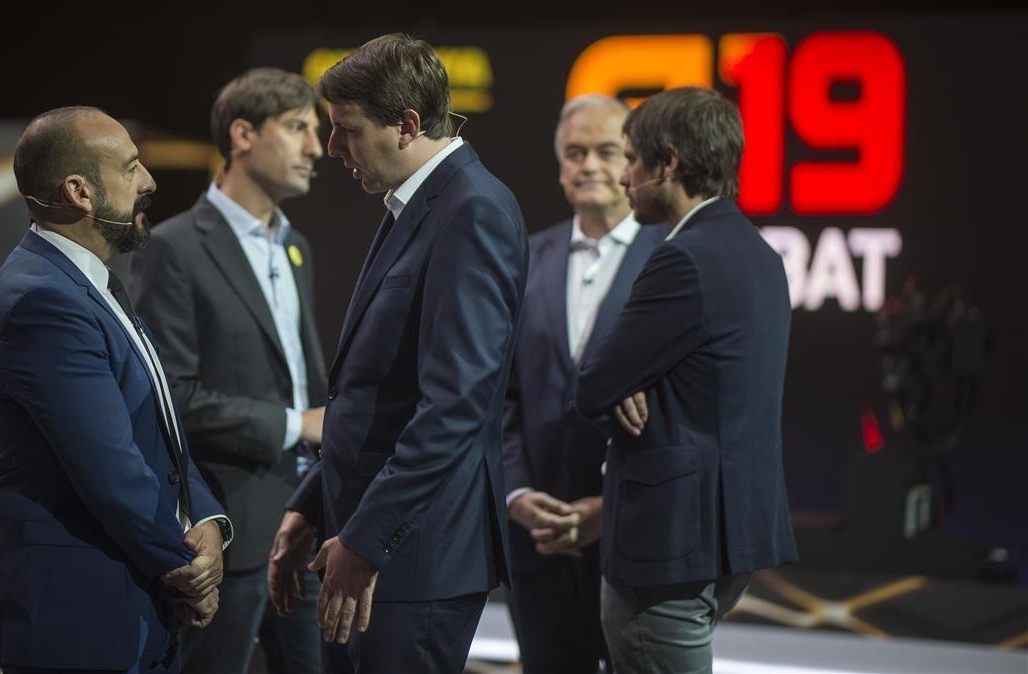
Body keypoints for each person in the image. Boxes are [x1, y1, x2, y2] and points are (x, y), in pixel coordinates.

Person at [267, 33, 528, 673]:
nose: (332, 149)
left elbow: (454, 407)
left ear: (408, 124)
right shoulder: (416, 205)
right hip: (370, 541)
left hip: (410, 557)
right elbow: (376, 397)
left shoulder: (473, 211)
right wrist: (312, 502)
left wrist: (364, 538)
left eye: (347, 131)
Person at [0, 106, 231, 674]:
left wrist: (206, 521)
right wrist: (188, 572)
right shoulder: (42, 301)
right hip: (72, 618)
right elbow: (109, 467)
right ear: (80, 191)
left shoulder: (87, 283)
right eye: (131, 166)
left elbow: (159, 431)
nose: (149, 183)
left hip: (127, 608)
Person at [575, 87, 799, 673]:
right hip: (730, 535)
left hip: (670, 544)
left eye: (630, 159)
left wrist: (627, 381)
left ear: (668, 162)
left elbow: (594, 382)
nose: (624, 178)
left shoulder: (683, 258)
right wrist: (635, 379)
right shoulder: (758, 252)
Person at [130, 68, 326, 674]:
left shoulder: (296, 247)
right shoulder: (175, 247)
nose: (316, 149)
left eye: (316, 131)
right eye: (298, 128)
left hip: (304, 527)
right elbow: (174, 399)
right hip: (231, 534)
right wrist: (299, 425)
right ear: (243, 134)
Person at [501, 94, 666, 674]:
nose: (589, 164)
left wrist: (609, 507)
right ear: (560, 167)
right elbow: (503, 398)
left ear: (632, 162)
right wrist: (517, 496)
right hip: (535, 534)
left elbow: (682, 407)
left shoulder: (671, 257)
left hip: (634, 532)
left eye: (604, 151)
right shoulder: (524, 259)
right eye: (575, 153)